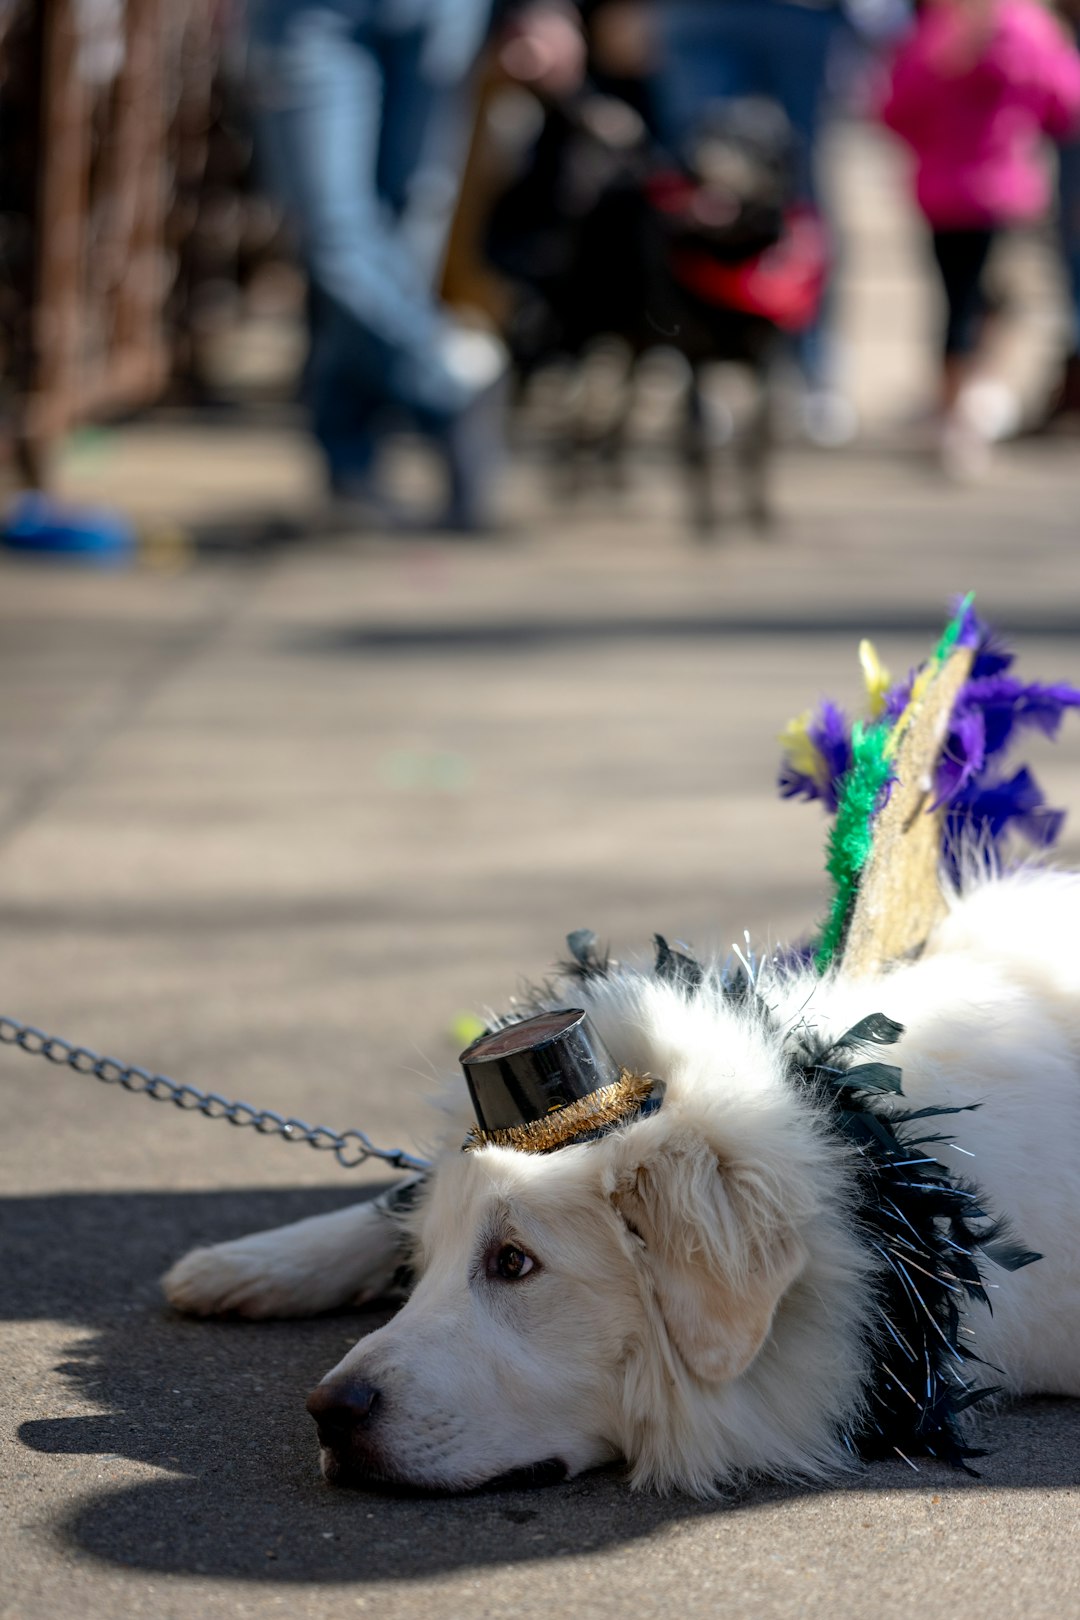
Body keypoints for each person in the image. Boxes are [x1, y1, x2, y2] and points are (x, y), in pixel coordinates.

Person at [246, 0, 586, 531]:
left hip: (440, 12)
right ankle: (450, 381)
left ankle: (351, 463)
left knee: (406, 230)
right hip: (310, 14)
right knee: (333, 232)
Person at [881, 0, 1080, 474]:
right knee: (992, 301)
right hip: (1002, 193)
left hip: (941, 194)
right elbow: (1066, 103)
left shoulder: (936, 29)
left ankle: (955, 406)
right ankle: (967, 404)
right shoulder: (1027, 27)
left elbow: (894, 110)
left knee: (957, 302)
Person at [650, 0, 857, 446]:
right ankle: (700, 374)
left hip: (804, 12)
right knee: (695, 187)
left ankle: (813, 366)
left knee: (801, 192)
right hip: (698, 14)